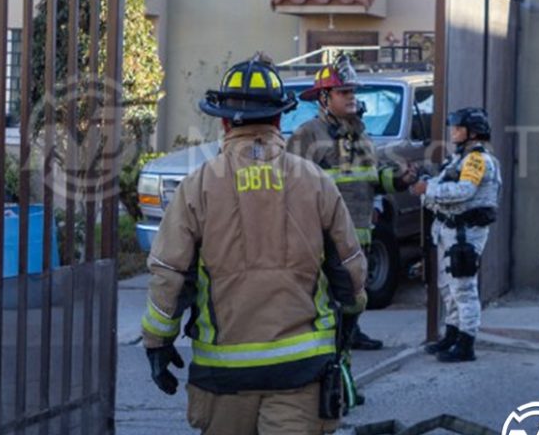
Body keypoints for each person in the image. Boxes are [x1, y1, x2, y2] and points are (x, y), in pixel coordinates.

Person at [142, 56, 368, 435]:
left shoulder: (197, 187)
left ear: (225, 121)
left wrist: (157, 342)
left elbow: (169, 275)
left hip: (223, 377)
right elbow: (349, 270)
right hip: (302, 372)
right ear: (279, 119)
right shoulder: (315, 182)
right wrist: (347, 324)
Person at [286, 54, 417, 351]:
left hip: (360, 229)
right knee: (328, 290)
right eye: (344, 92)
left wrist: (399, 180)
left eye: (353, 92)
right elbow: (290, 182)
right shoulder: (308, 134)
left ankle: (351, 333)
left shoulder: (359, 132)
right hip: (326, 231)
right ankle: (327, 340)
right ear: (324, 97)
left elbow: (368, 177)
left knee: (356, 289)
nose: (351, 97)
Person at [409, 107, 501, 362]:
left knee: (463, 288)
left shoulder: (477, 160)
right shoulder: (460, 158)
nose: (453, 132)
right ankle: (452, 334)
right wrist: (426, 186)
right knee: (448, 287)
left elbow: (464, 191)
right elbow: (441, 184)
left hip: (466, 233)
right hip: (449, 231)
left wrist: (428, 189)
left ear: (473, 132)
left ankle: (466, 342)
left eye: (458, 128)